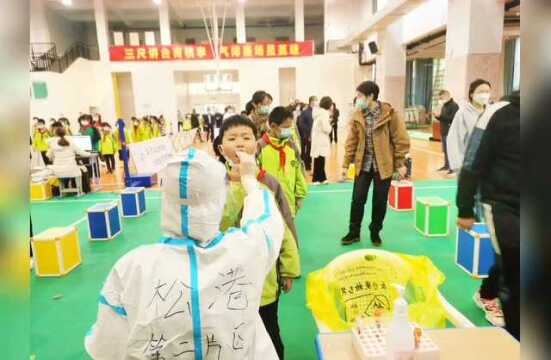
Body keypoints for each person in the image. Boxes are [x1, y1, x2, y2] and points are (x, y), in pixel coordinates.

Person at [85, 147, 285, 359]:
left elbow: (107, 346)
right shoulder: (244, 249)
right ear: (219, 198)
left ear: (166, 199)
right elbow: (267, 220)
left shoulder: (133, 266)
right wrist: (249, 179)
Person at [214, 115, 301, 359]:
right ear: (221, 148)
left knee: (270, 331)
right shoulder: (214, 185)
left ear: (256, 144)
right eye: (232, 138)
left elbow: (283, 227)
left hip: (266, 281)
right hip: (226, 278)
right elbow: (215, 224)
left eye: (246, 137)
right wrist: (240, 183)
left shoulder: (269, 183)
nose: (240, 143)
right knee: (232, 335)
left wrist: (289, 268)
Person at [456, 91, 519, 340]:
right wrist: (464, 208)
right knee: (517, 273)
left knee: (512, 261)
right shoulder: (498, 113)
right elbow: (472, 162)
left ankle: (487, 291)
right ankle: (516, 341)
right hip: (502, 204)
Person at [340, 81, 410, 246]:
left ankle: (375, 231)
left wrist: (400, 162)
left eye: (359, 96)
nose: (357, 99)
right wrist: (345, 164)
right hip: (363, 166)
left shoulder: (390, 114)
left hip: (383, 166)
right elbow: (351, 141)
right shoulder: (358, 115)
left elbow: (401, 139)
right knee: (357, 199)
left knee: (379, 202)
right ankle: (354, 231)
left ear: (370, 96)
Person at [258, 106, 308, 218]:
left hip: (289, 202)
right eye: (286, 127)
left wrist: (300, 195)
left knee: (289, 234)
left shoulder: (291, 146)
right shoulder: (260, 147)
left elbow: (298, 170)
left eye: (291, 128)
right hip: (266, 206)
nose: (289, 131)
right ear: (273, 126)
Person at [447, 79, 491, 174]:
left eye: (487, 92)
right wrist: (457, 166)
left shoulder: (493, 112)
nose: (484, 95)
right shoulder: (462, 113)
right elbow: (454, 139)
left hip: (489, 165)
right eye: (481, 91)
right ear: (471, 94)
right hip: (469, 165)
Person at [47, 126, 91, 193]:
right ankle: (81, 190)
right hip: (71, 169)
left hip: (58, 170)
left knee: (61, 171)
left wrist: (54, 157)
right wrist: (90, 154)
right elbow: (81, 153)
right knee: (83, 168)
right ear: (65, 132)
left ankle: (63, 191)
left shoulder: (52, 143)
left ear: (54, 133)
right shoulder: (70, 141)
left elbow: (49, 155)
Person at [433, 90, 459, 172]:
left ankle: (452, 167)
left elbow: (452, 119)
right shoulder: (444, 105)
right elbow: (443, 118)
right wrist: (437, 116)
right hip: (444, 131)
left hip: (450, 131)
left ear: (447, 96)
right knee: (445, 150)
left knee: (451, 150)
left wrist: (440, 116)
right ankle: (446, 165)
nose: (440, 99)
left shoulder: (454, 106)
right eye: (440, 98)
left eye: (441, 98)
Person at [311, 96, 333, 185]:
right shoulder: (324, 113)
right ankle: (316, 179)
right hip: (321, 139)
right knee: (320, 159)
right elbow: (326, 128)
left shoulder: (318, 112)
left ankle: (322, 178)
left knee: (319, 159)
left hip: (317, 139)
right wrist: (330, 126)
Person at [297, 96, 317, 171]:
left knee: (312, 151)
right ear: (311, 101)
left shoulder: (316, 111)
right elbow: (300, 123)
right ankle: (306, 165)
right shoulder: (305, 112)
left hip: (314, 135)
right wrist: (309, 132)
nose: (316, 102)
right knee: (307, 151)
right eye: (315, 100)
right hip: (306, 135)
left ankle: (311, 165)